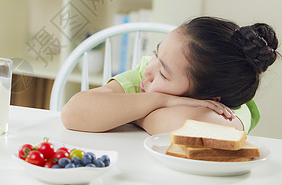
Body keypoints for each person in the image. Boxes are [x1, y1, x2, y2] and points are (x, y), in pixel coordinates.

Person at [61, 16, 279, 135]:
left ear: (209, 100)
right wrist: (161, 99)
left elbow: (186, 130)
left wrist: (121, 111)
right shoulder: (147, 76)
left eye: (163, 74)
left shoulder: (233, 111)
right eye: (156, 53)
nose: (148, 70)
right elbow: (73, 112)